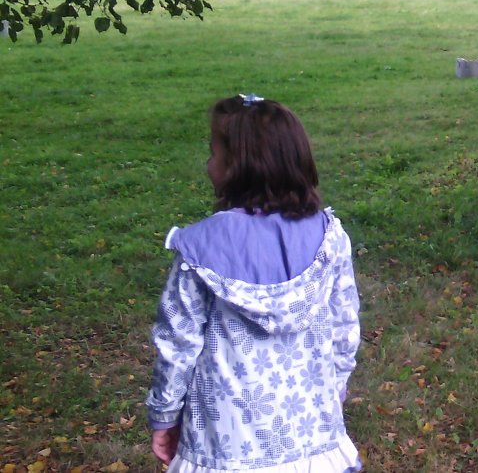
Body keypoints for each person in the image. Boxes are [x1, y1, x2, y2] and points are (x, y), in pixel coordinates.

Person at [146, 94, 362, 472]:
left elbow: (176, 345)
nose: (207, 164)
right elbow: (345, 330)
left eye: (213, 154)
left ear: (237, 167)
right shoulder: (329, 238)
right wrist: (334, 390)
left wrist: (164, 415)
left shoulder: (200, 249)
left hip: (222, 445)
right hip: (310, 436)